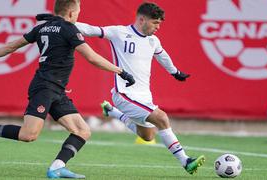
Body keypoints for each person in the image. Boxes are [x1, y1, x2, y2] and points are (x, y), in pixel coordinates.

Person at [0, 0, 135, 179]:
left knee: (82, 130)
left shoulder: (43, 28)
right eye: (78, 11)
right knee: (28, 134)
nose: (79, 14)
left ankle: (57, 167)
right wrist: (121, 71)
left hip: (57, 89)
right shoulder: (69, 29)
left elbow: (12, 45)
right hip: (45, 87)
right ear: (72, 13)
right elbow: (92, 57)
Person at [74, 2, 205, 175]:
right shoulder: (119, 32)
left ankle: (112, 112)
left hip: (144, 97)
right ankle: (185, 160)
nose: (158, 27)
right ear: (142, 19)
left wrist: (175, 72)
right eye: (155, 22)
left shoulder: (153, 40)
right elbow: (90, 29)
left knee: (147, 136)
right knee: (162, 118)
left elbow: (162, 56)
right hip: (125, 94)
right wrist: (61, 22)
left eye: (159, 23)